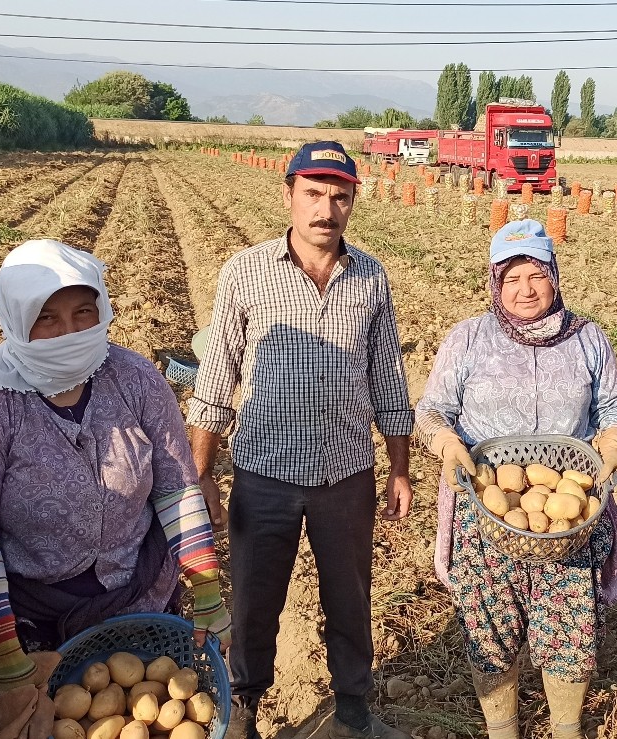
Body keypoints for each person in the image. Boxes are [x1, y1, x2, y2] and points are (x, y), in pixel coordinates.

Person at [0, 240, 231, 733]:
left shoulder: (133, 377)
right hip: (24, 615)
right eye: (46, 318)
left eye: (83, 313)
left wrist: (207, 593)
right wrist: (8, 660)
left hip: (137, 597)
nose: (69, 332)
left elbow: (177, 492)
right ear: (13, 319)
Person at [186, 141, 413, 739]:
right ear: (288, 195)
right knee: (255, 602)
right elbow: (216, 380)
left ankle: (354, 712)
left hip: (345, 474)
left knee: (350, 600)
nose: (325, 209)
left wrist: (398, 467)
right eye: (312, 194)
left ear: (352, 204)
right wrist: (201, 474)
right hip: (265, 475)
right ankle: (243, 710)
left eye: (339, 197)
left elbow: (387, 374)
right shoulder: (245, 271)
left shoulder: (370, 276)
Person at [415, 220, 617, 739]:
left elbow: (615, 404)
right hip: (489, 517)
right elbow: (431, 409)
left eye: (536, 274)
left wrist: (614, 440)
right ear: (495, 282)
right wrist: (446, 444)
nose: (525, 290)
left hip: (569, 521)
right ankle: (503, 731)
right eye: (511, 278)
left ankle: (565, 728)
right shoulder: (468, 338)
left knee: (568, 634)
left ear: (555, 277)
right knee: (489, 634)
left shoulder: (588, 338)